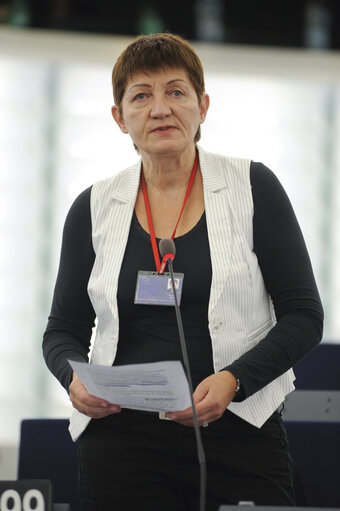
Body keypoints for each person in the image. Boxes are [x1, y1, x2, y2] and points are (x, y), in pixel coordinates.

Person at [43, 33, 323, 511]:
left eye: (176, 91)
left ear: (203, 106)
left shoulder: (254, 187)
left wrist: (235, 379)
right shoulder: (91, 208)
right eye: (141, 96)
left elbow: (304, 316)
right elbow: (61, 332)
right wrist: (73, 378)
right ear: (119, 117)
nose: (160, 109)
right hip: (120, 442)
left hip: (240, 431)